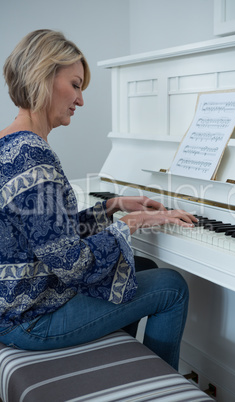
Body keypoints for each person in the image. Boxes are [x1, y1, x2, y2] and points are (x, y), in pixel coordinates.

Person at [0, 29, 197, 370]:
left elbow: (46, 236)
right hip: (29, 319)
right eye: (75, 85)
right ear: (44, 77)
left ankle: (117, 367)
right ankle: (154, 386)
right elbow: (72, 264)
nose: (80, 100)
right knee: (172, 286)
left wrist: (111, 207)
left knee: (142, 267)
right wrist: (131, 224)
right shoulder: (35, 156)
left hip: (15, 303)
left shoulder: (11, 144)